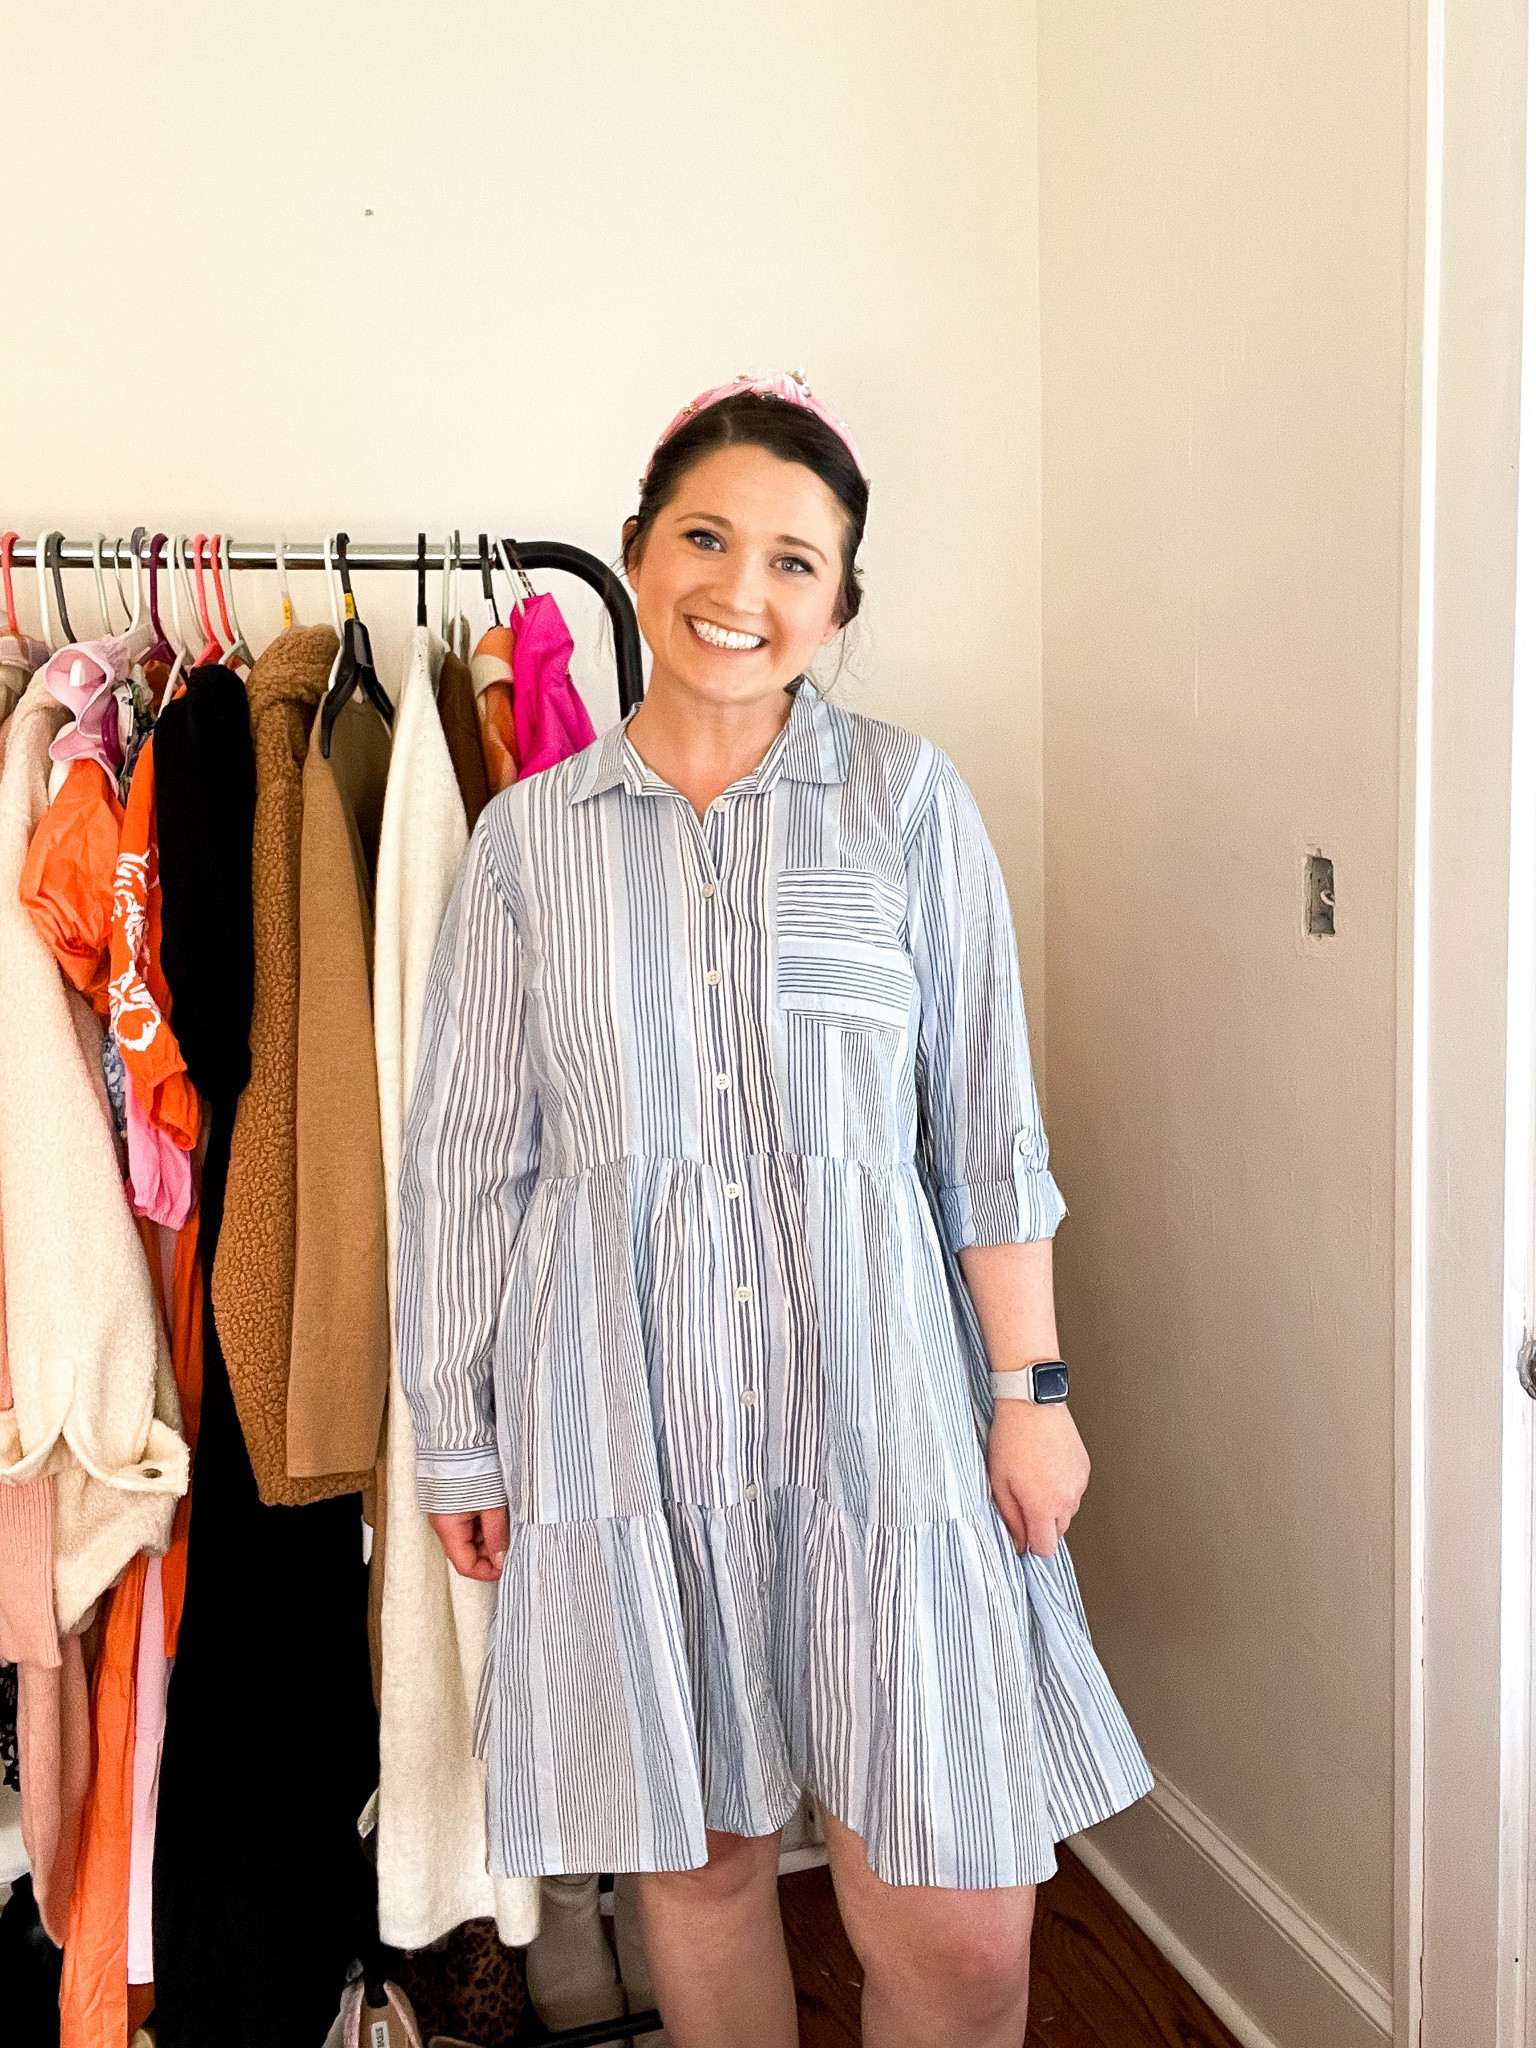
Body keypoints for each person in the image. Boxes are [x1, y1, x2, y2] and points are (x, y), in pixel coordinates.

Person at [398, 372, 1152, 2048]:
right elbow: (465, 1164)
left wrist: (1032, 1394)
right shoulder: (526, 849)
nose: (740, 589)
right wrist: (459, 1438)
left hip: (888, 1415)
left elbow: (986, 1131)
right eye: (706, 538)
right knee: (707, 1866)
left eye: (794, 561)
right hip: (628, 1418)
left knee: (963, 1927)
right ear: (637, 551)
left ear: (841, 604)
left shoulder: (908, 804)